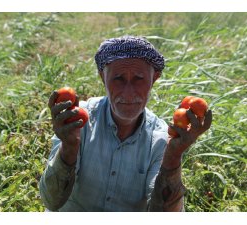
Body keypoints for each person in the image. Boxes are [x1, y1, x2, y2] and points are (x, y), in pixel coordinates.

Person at [39, 36, 212, 212]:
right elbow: (51, 202)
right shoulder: (77, 121)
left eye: (139, 78)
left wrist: (173, 156)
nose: (128, 93)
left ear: (154, 79)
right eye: (118, 79)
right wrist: (69, 146)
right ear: (102, 77)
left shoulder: (161, 139)